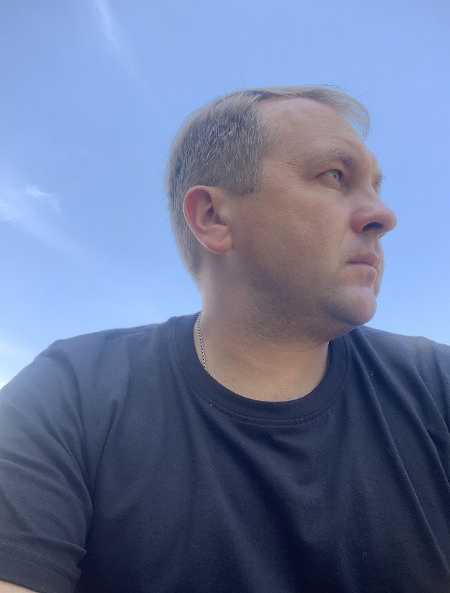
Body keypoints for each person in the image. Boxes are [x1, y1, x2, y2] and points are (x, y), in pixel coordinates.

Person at [0, 87, 449, 593]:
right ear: (213, 218)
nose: (384, 216)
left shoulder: (436, 386)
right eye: (334, 176)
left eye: (375, 187)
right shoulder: (73, 392)